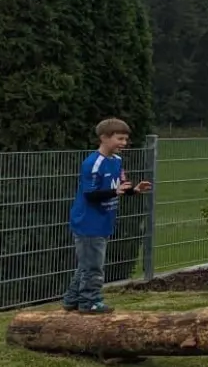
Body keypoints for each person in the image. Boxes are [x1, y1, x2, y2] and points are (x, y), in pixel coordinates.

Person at [64, 118, 152, 314]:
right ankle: (90, 302)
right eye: (119, 138)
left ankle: (72, 299)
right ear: (104, 138)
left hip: (104, 220)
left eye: (125, 139)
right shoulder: (93, 163)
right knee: (93, 266)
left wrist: (134, 190)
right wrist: (115, 192)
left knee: (87, 263)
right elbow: (90, 194)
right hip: (88, 222)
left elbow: (119, 186)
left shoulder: (117, 161)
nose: (123, 143)